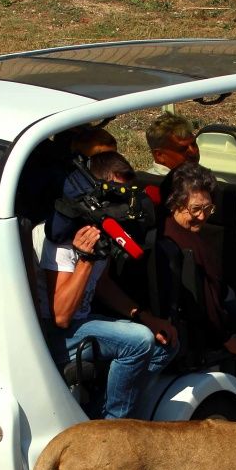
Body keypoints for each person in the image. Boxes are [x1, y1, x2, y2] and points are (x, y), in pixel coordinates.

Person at [38, 151, 178, 420]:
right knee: (138, 341)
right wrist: (86, 258)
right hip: (55, 335)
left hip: (84, 323)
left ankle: (97, 413)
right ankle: (113, 427)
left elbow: (102, 286)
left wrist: (147, 318)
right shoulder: (62, 236)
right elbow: (61, 316)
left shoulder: (100, 227)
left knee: (166, 342)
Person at [157, 163, 236, 393]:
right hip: (195, 332)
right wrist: (228, 340)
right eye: (195, 209)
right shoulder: (190, 248)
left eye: (208, 209)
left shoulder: (162, 228)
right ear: (175, 203)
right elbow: (203, 307)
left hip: (183, 322)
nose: (202, 217)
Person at [144, 112, 199, 205]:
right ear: (159, 155)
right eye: (182, 149)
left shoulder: (144, 178)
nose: (193, 151)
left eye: (193, 144)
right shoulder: (182, 190)